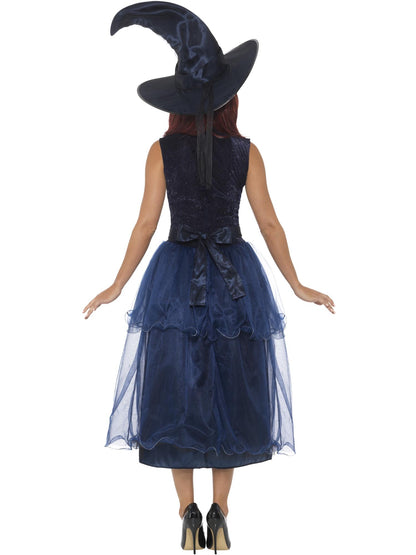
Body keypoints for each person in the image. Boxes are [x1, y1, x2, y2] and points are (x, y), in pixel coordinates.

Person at [82, 2, 335, 552]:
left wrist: (118, 285)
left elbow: (146, 224)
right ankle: (221, 510)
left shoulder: (160, 152)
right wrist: (296, 284)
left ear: (177, 103)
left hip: (174, 280)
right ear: (229, 99)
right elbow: (268, 222)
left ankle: (186, 510)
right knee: (232, 386)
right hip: (235, 278)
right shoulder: (246, 152)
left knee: (175, 386)